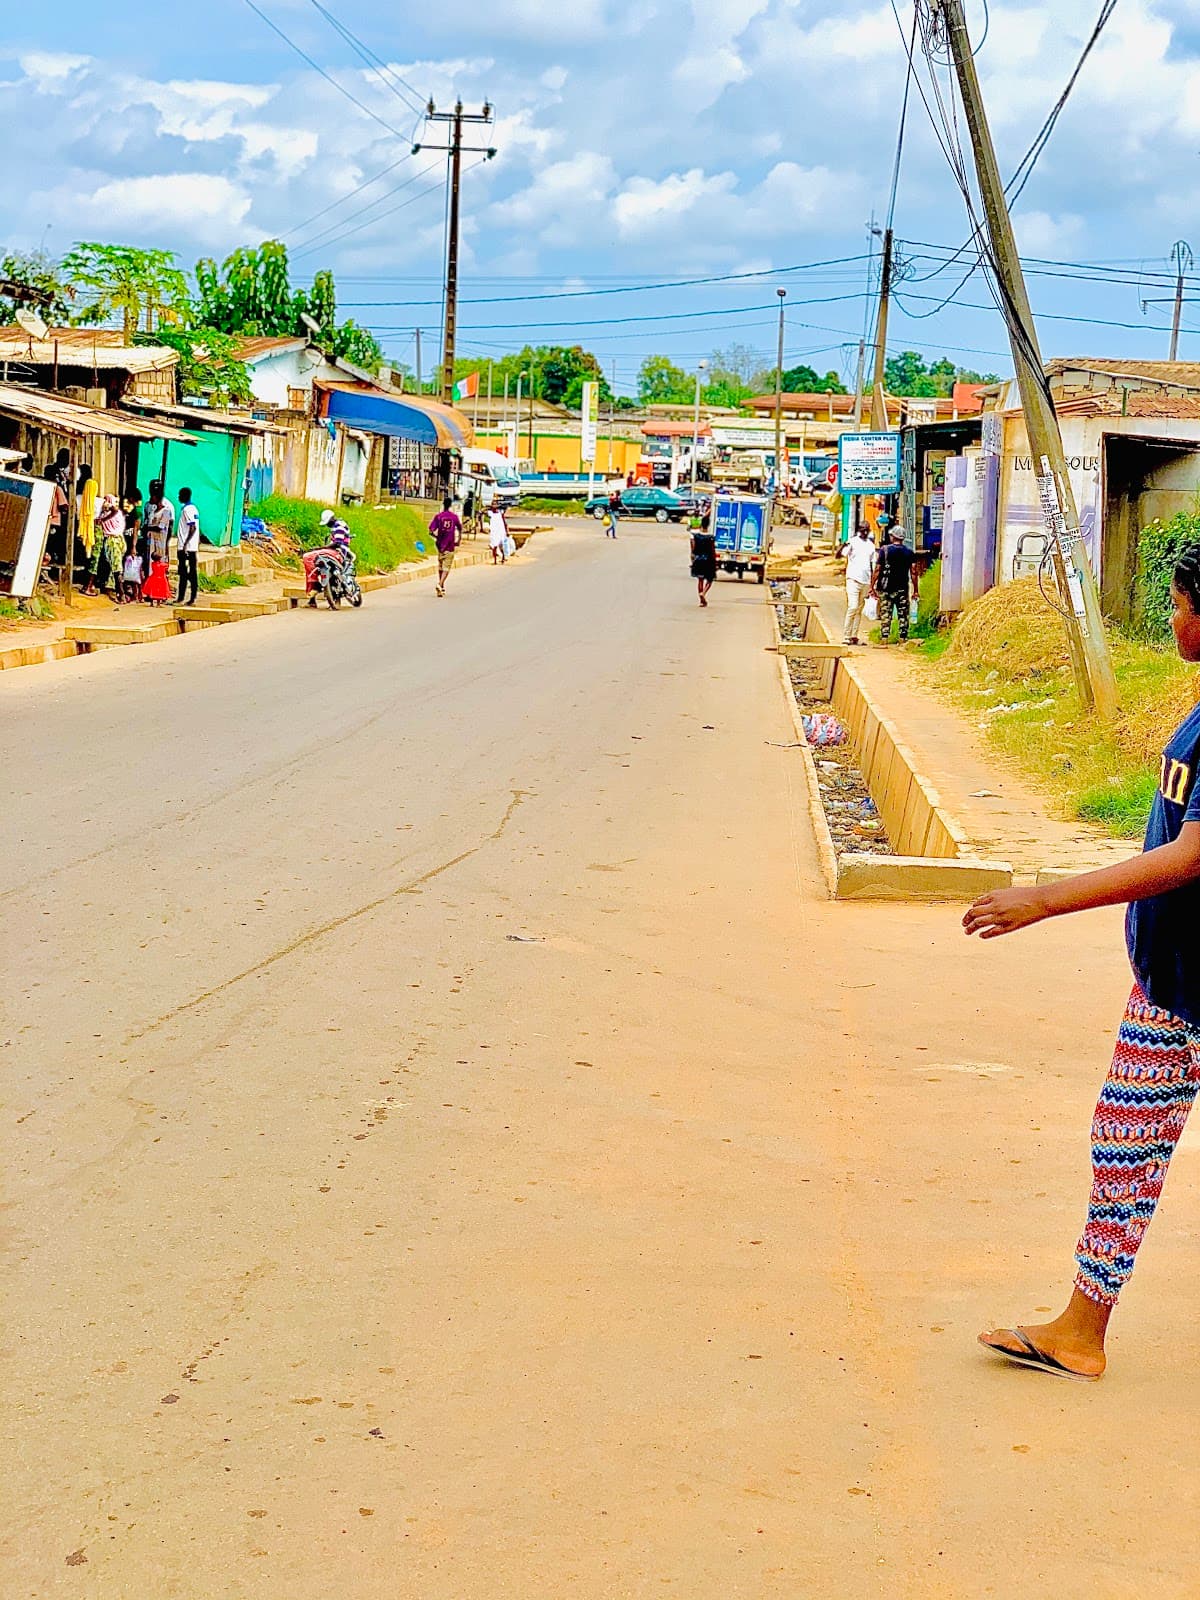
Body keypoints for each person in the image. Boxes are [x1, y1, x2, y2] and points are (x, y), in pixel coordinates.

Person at [970, 543, 1200, 1383]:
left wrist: (1046, 899)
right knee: (1124, 1146)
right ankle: (1080, 1331)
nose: (1172, 617)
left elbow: (1189, 856)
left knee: (1125, 1147)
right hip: (1172, 990)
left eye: (1179, 604)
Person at [871, 526, 919, 646]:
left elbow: (877, 569)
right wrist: (916, 590)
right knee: (903, 613)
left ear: (893, 537)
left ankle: (884, 639)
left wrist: (872, 585)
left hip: (886, 588)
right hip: (902, 588)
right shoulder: (909, 552)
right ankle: (902, 638)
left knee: (886, 613)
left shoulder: (884, 550)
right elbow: (913, 572)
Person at [843, 525, 877, 645]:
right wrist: (843, 545)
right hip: (852, 579)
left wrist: (873, 585)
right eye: (863, 530)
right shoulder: (852, 541)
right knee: (852, 606)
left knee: (858, 610)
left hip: (866, 581)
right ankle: (846, 636)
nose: (865, 532)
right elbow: (841, 554)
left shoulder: (871, 545)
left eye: (867, 530)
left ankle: (854, 636)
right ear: (859, 531)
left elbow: (873, 566)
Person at [429, 495, 461, 597]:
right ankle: (440, 584)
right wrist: (458, 539)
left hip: (440, 545)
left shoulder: (438, 517)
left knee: (441, 565)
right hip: (450, 544)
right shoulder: (454, 517)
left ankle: (441, 586)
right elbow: (460, 528)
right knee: (446, 567)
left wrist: (437, 536)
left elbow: (430, 530)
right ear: (451, 505)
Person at [174, 487, 200, 606]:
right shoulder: (193, 508)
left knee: (184, 573)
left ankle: (183, 598)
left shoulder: (187, 510)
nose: (178, 497)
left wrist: (185, 544)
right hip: (192, 547)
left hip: (186, 547)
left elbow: (192, 527)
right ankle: (189, 597)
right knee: (190, 572)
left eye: (180, 495)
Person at [690, 509, 717, 607]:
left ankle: (701, 599)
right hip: (708, 561)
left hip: (698, 560)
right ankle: (704, 593)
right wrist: (715, 562)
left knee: (700, 579)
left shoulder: (696, 536)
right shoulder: (710, 538)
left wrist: (693, 559)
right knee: (709, 580)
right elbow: (713, 551)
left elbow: (693, 549)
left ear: (701, 525)